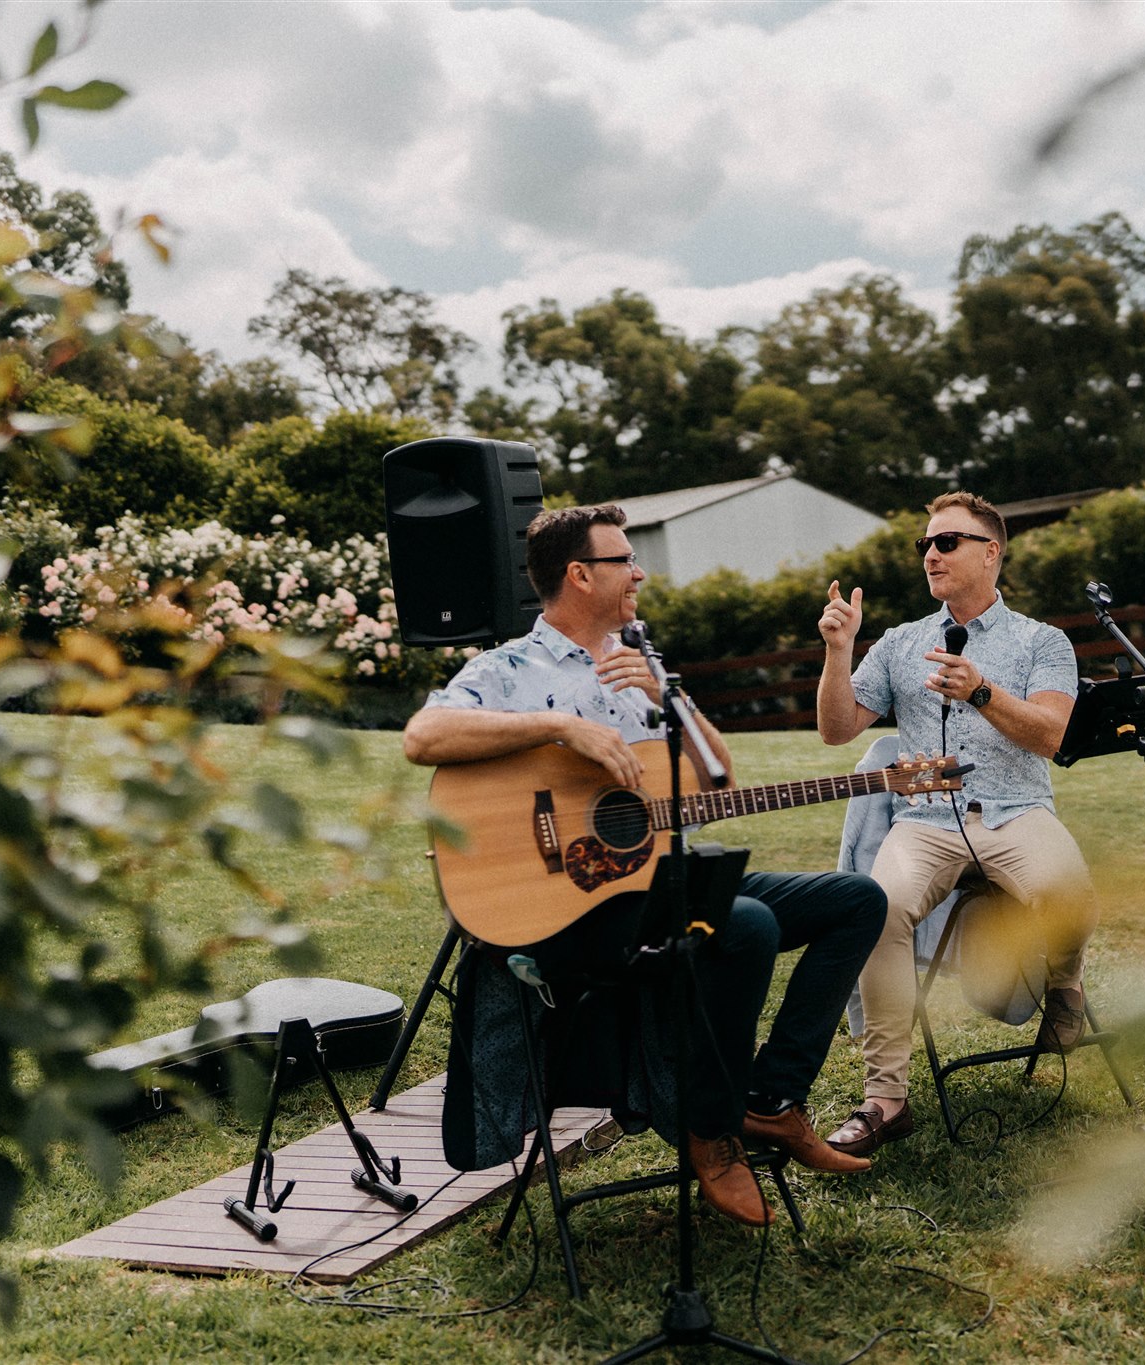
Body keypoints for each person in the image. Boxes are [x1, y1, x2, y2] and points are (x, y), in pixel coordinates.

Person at [403, 504, 887, 1225]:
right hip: (573, 909)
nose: (638, 572)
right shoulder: (506, 667)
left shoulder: (641, 662)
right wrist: (562, 725)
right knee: (744, 923)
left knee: (856, 899)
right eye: (623, 560)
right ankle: (711, 1131)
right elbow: (422, 735)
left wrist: (670, 698)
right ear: (578, 574)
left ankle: (771, 1100)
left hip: (660, 873)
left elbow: (717, 781)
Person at [813, 491, 1096, 1156]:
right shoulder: (902, 642)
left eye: (948, 542)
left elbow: (1054, 736)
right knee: (875, 907)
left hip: (1017, 810)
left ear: (991, 552)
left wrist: (981, 691)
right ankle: (886, 1097)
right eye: (926, 545)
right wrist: (839, 649)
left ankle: (1065, 984)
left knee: (1072, 894)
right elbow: (834, 729)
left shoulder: (1041, 641)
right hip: (927, 821)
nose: (931, 554)